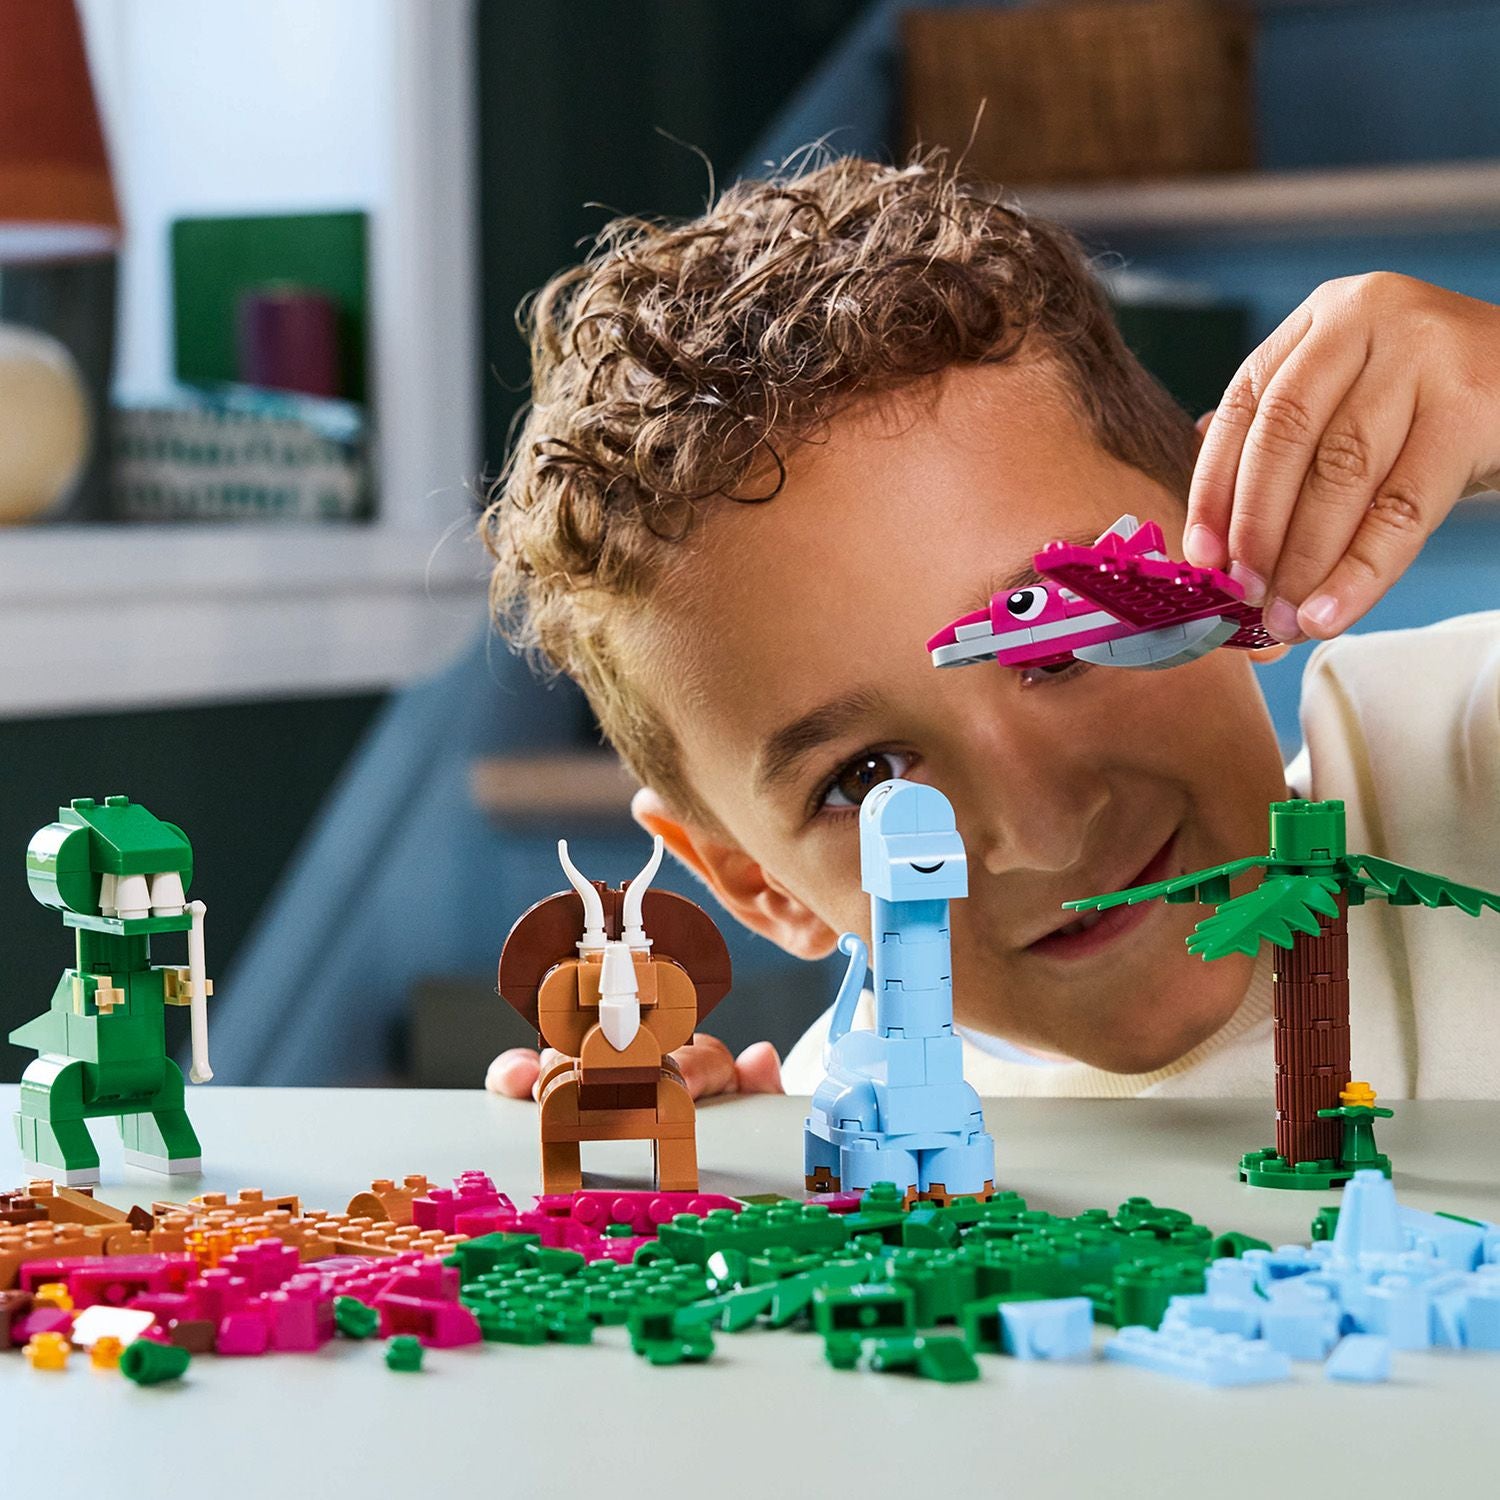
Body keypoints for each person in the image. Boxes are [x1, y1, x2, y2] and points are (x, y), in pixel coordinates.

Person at [480, 153, 1500, 1104]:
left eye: (1062, 644)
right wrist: (727, 1204)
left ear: (1222, 537)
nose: (1041, 835)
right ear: (756, 884)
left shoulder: (1461, 750)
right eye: (866, 778)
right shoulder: (838, 1118)